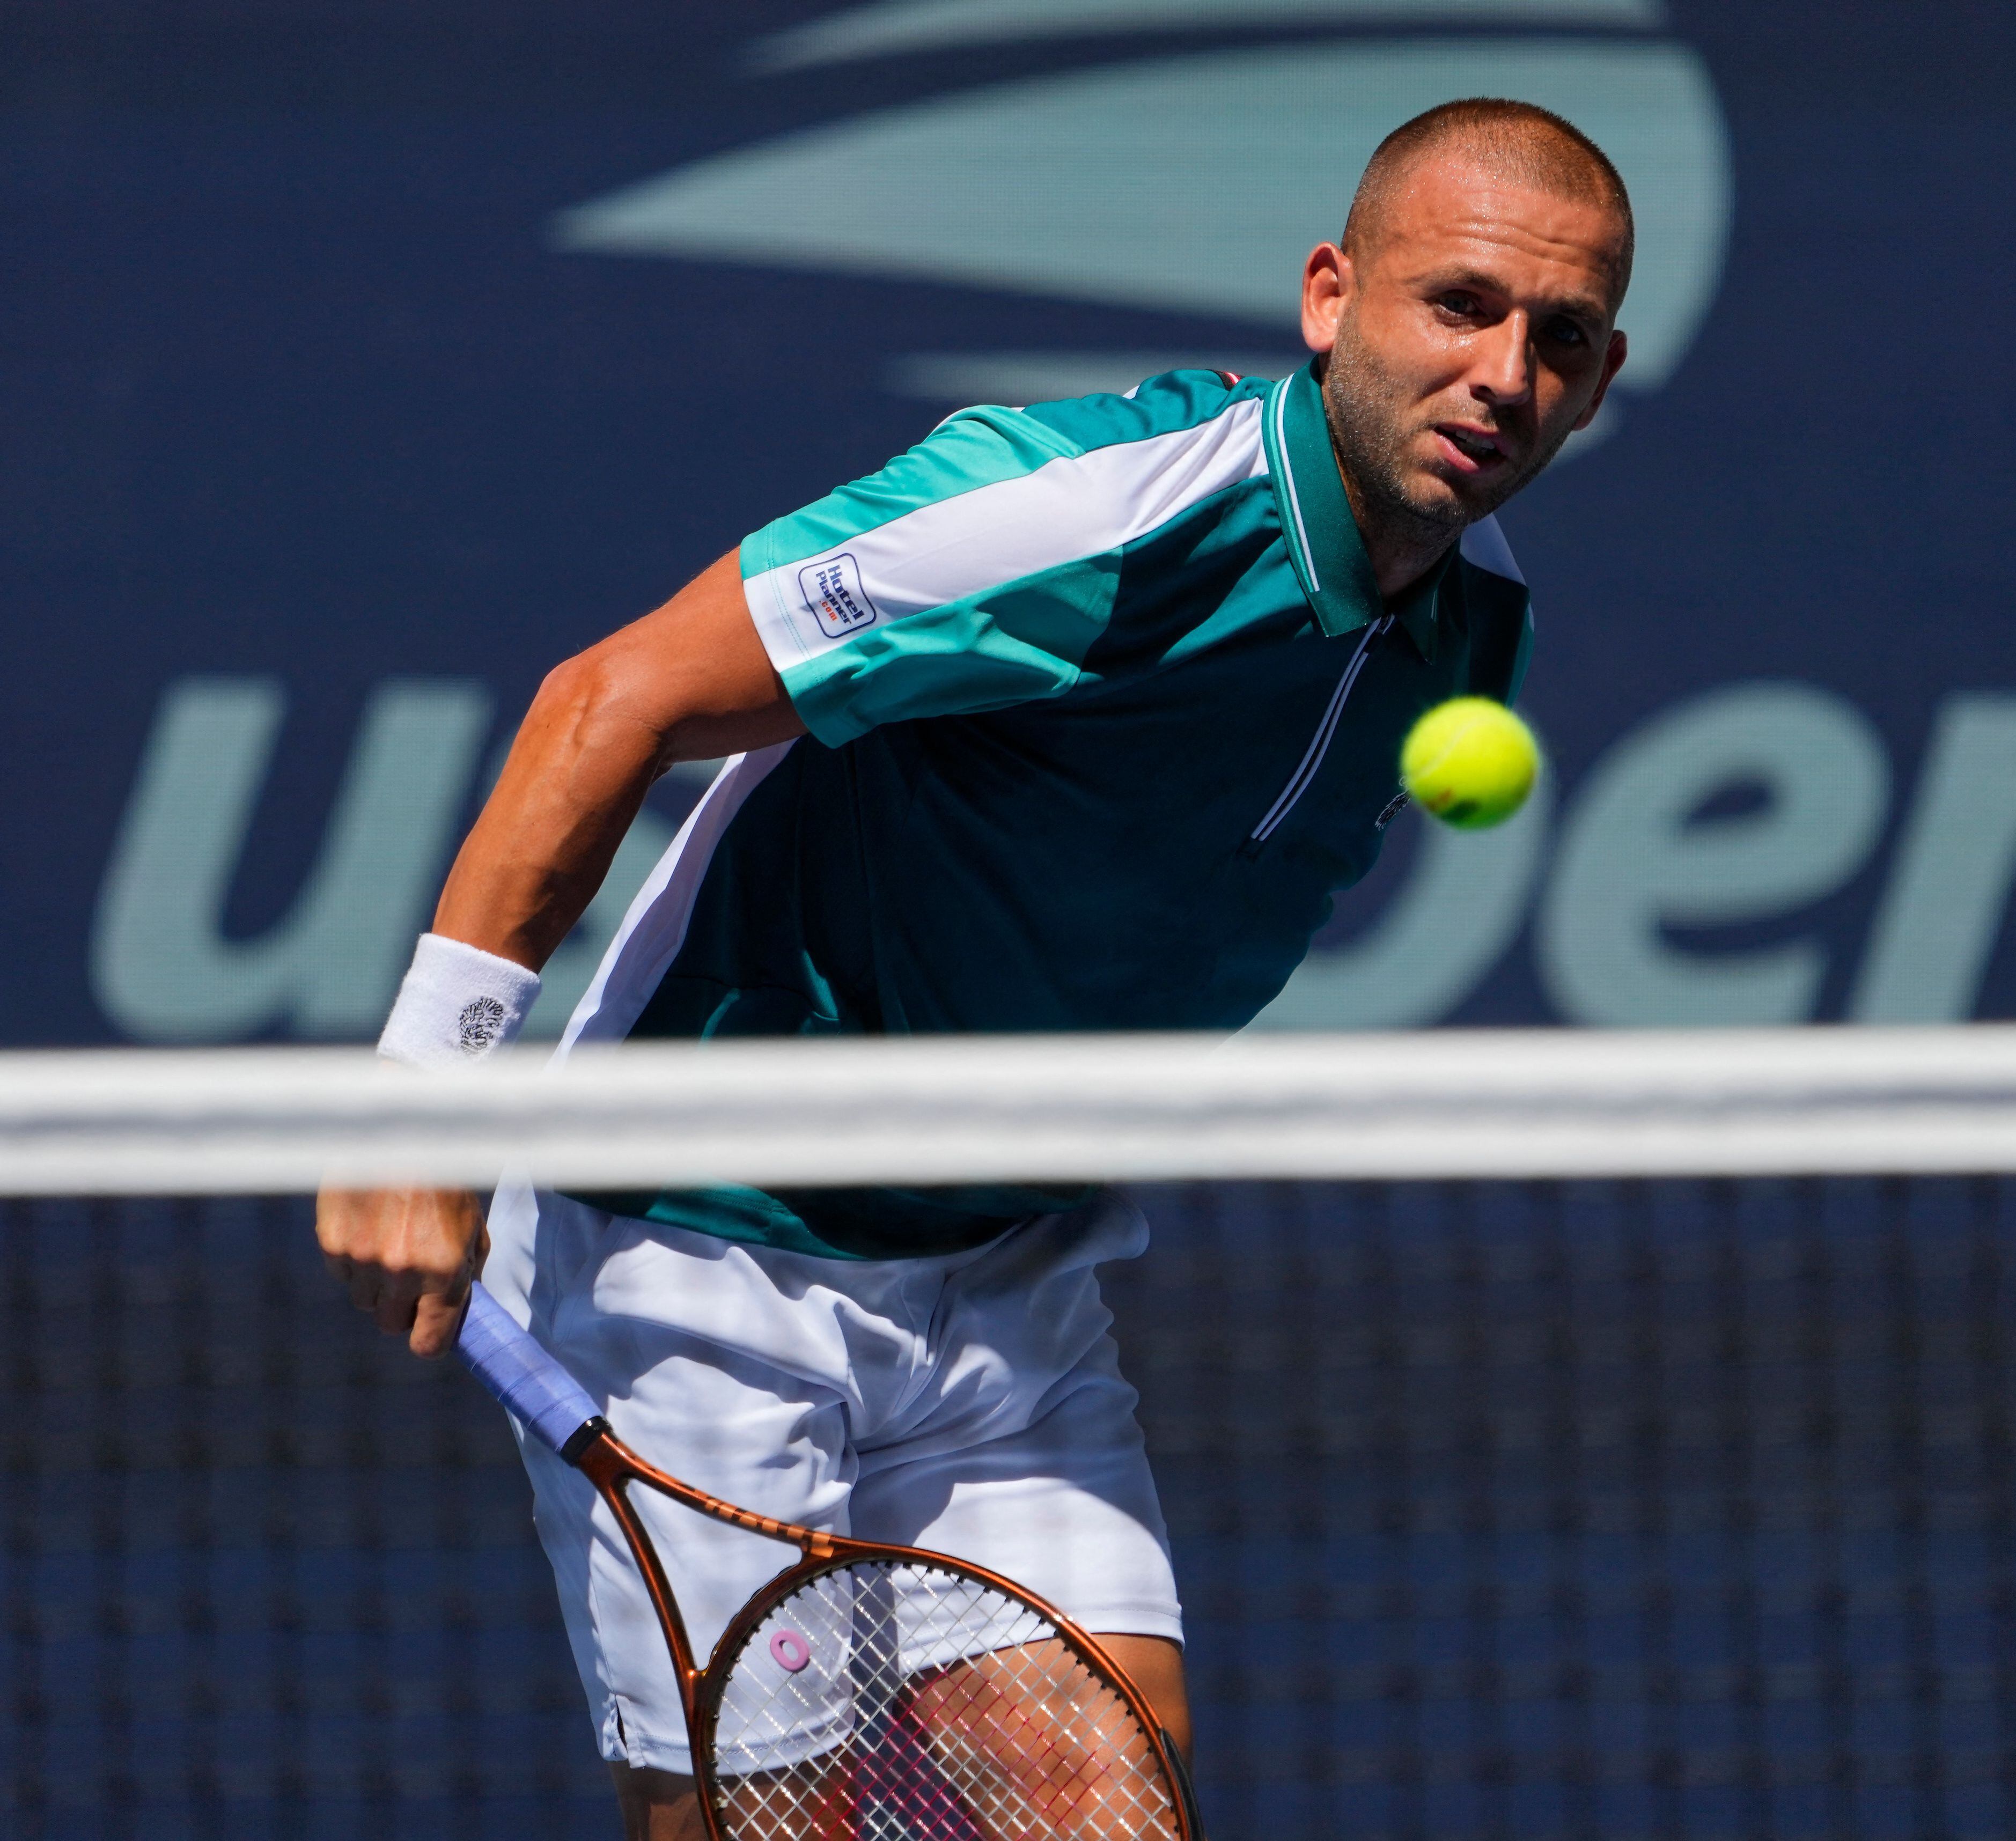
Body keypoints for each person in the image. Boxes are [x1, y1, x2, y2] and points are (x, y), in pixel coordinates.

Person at [317, 95, 1633, 1838]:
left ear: (1598, 380)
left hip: (1009, 1290)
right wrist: (422, 1092)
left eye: (1555, 339)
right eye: (1455, 305)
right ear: (1331, 298)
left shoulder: (1476, 630)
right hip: (711, 1256)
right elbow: (611, 697)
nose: (1501, 374)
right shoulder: (1096, 511)